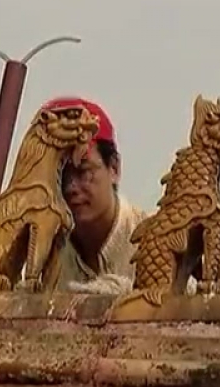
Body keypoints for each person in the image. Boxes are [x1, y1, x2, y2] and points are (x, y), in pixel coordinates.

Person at [41, 96, 148, 294]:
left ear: (114, 168)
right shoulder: (45, 255)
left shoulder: (153, 240)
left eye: (84, 172)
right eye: (61, 176)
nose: (71, 187)